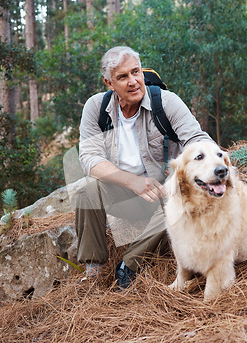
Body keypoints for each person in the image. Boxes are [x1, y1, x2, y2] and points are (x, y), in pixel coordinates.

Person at [75, 46, 214, 289]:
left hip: (166, 195)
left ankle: (129, 267)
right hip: (128, 196)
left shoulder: (166, 103)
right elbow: (89, 158)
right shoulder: (96, 108)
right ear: (109, 83)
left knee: (186, 196)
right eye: (123, 77)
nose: (133, 81)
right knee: (87, 191)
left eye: (136, 72)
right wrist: (132, 181)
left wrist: (183, 167)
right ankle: (94, 269)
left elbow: (198, 140)